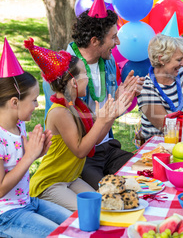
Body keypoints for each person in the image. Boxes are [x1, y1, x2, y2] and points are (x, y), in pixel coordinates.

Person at [42, 0, 144, 190]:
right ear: (95, 41)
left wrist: (120, 97)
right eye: (114, 37)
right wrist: (114, 109)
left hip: (108, 146)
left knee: (144, 178)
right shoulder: (63, 74)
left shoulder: (109, 61)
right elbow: (78, 137)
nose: (118, 43)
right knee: (112, 194)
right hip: (81, 157)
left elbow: (108, 110)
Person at [26, 39, 131, 211]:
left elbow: (94, 141)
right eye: (85, 74)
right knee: (91, 211)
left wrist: (111, 115)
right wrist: (102, 120)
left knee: (103, 205)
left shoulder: (74, 106)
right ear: (74, 82)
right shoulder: (61, 112)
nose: (89, 78)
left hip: (70, 178)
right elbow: (81, 150)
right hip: (50, 183)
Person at [0, 38, 71, 237]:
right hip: (7, 214)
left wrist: (37, 152)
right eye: (33, 100)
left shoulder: (19, 125)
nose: (37, 106)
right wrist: (29, 157)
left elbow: (17, 164)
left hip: (28, 201)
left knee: (76, 224)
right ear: (14, 102)